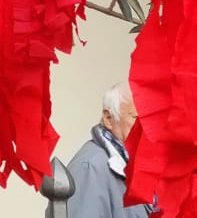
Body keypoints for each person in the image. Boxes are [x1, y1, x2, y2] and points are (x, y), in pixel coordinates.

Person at [66, 83, 154, 218]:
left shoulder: (140, 163)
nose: (148, 127)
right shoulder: (90, 167)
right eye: (138, 118)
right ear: (108, 118)